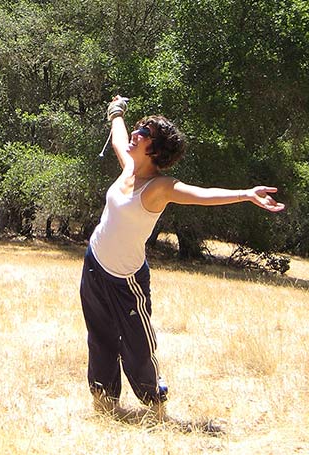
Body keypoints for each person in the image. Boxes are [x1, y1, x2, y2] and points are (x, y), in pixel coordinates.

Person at [80, 97, 285, 422]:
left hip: (126, 280)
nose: (136, 133)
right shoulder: (130, 167)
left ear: (156, 150)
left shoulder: (159, 187)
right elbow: (120, 137)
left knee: (138, 346)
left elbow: (202, 195)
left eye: (143, 132)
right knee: (100, 335)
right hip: (94, 265)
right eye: (139, 127)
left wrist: (245, 194)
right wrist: (116, 111)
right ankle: (104, 401)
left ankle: (153, 401)